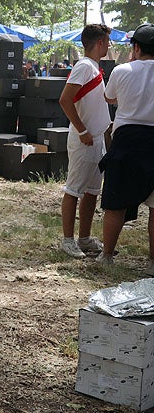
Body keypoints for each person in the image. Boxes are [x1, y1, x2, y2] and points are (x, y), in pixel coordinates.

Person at [99, 23, 154, 272]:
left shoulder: (123, 70)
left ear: (137, 47)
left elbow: (109, 97)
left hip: (127, 138)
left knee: (115, 202)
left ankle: (107, 255)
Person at [56, 24, 111, 259]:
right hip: (84, 140)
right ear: (99, 43)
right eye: (107, 41)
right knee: (74, 189)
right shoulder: (84, 66)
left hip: (96, 140)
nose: (109, 46)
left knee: (91, 192)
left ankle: (85, 238)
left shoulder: (93, 68)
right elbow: (65, 100)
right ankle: (68, 240)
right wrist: (82, 130)